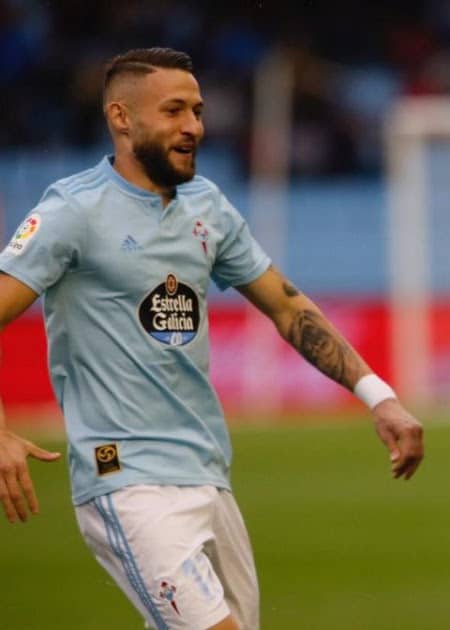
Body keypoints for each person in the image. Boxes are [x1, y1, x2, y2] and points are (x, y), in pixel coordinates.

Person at [0, 47, 424, 630]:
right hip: (126, 480)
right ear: (121, 118)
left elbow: (286, 305)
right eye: (174, 110)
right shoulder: (73, 211)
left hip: (206, 473)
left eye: (197, 111)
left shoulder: (206, 205)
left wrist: (379, 396)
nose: (193, 126)